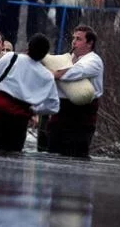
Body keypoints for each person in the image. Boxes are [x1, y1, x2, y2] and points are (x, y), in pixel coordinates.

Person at [47, 25, 103, 158]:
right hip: (60, 114)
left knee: (77, 157)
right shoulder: (66, 58)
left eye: (78, 39)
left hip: (82, 117)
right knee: (52, 156)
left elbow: (74, 72)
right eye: (73, 38)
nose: (73, 42)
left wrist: (55, 73)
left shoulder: (94, 61)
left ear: (90, 43)